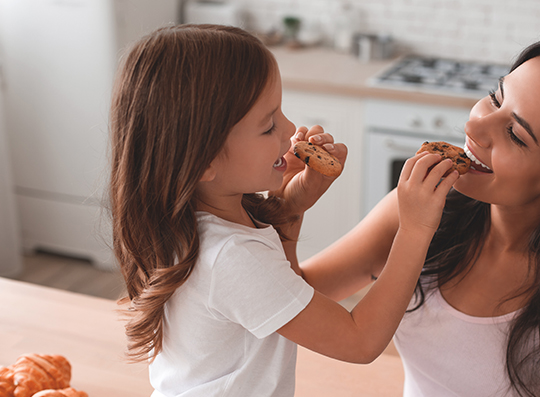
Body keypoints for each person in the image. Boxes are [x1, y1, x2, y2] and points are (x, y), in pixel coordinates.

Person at [108, 24, 459, 396]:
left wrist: (290, 207)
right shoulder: (231, 256)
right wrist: (416, 227)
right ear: (203, 161)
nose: (290, 129)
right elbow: (360, 341)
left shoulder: (194, 222)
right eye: (268, 125)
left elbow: (286, 290)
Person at [295, 40, 540, 396]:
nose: (474, 128)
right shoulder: (420, 216)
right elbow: (287, 298)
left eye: (515, 134)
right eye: (495, 98)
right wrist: (289, 207)